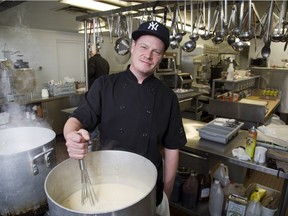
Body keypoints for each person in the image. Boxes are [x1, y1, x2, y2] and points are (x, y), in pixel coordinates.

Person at [63, 20, 187, 216]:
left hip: (150, 187)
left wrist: (165, 194)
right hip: (108, 182)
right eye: (144, 47)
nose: (148, 55)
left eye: (156, 51)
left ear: (161, 56)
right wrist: (71, 136)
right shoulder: (105, 85)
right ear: (133, 46)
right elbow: (77, 120)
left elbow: (172, 150)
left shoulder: (167, 97)